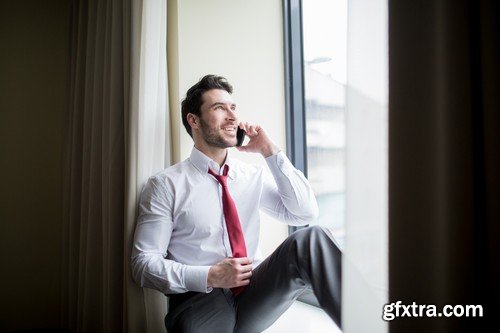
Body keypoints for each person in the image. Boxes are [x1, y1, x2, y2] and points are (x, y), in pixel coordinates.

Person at [131, 75, 342, 332]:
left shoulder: (250, 176)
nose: (232, 116)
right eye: (219, 108)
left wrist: (270, 152)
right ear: (193, 120)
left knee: (311, 240)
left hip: (255, 290)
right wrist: (209, 275)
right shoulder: (165, 185)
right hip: (199, 299)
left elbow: (303, 213)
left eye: (233, 108)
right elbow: (143, 263)